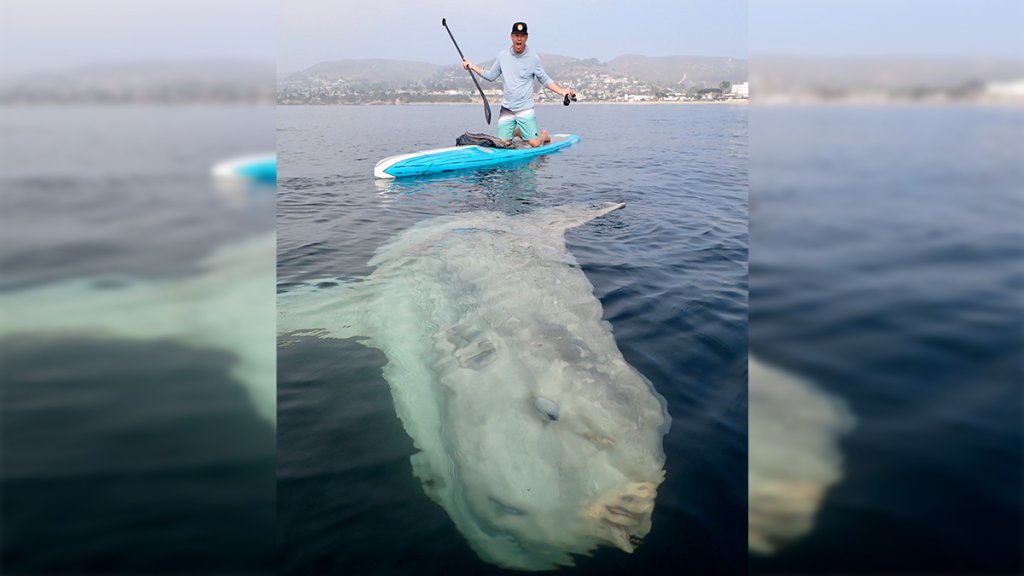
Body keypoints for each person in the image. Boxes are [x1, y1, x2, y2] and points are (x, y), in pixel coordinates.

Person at [463, 21, 575, 148]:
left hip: (525, 109)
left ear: (526, 38)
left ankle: (544, 135)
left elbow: (544, 79)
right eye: (516, 35)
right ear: (511, 37)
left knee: (534, 143)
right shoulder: (503, 56)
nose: (519, 38)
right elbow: (491, 76)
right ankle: (519, 131)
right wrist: (471, 66)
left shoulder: (533, 58)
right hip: (507, 109)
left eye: (522, 35)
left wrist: (562, 91)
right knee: (502, 144)